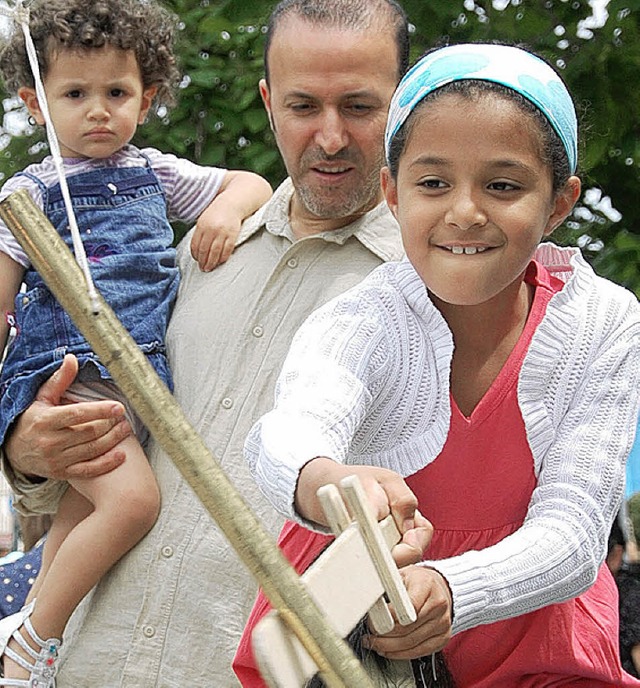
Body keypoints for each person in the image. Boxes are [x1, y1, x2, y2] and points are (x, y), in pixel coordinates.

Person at [0, 1, 433, 686]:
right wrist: (25, 454)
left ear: (406, 104)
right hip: (87, 662)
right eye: (301, 105)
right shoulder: (189, 256)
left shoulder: (435, 288)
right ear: (267, 103)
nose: (327, 137)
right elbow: (88, 461)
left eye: (357, 105)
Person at [238, 43, 640, 687]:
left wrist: (452, 587)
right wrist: (328, 480)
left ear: (559, 202)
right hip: (358, 631)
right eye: (433, 183)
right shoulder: (362, 318)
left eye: (503, 185)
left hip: (534, 639)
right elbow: (288, 431)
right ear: (393, 194)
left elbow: (575, 532)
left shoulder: (605, 322)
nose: (464, 211)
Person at [0, 0, 271, 684]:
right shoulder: (25, 193)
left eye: (116, 93)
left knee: (78, 516)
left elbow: (251, 182)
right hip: (65, 371)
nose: (98, 110)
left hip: (139, 378)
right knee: (133, 503)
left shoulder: (154, 170)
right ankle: (34, 639)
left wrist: (225, 210)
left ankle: (24, 629)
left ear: (145, 99)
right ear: (36, 103)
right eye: (75, 94)